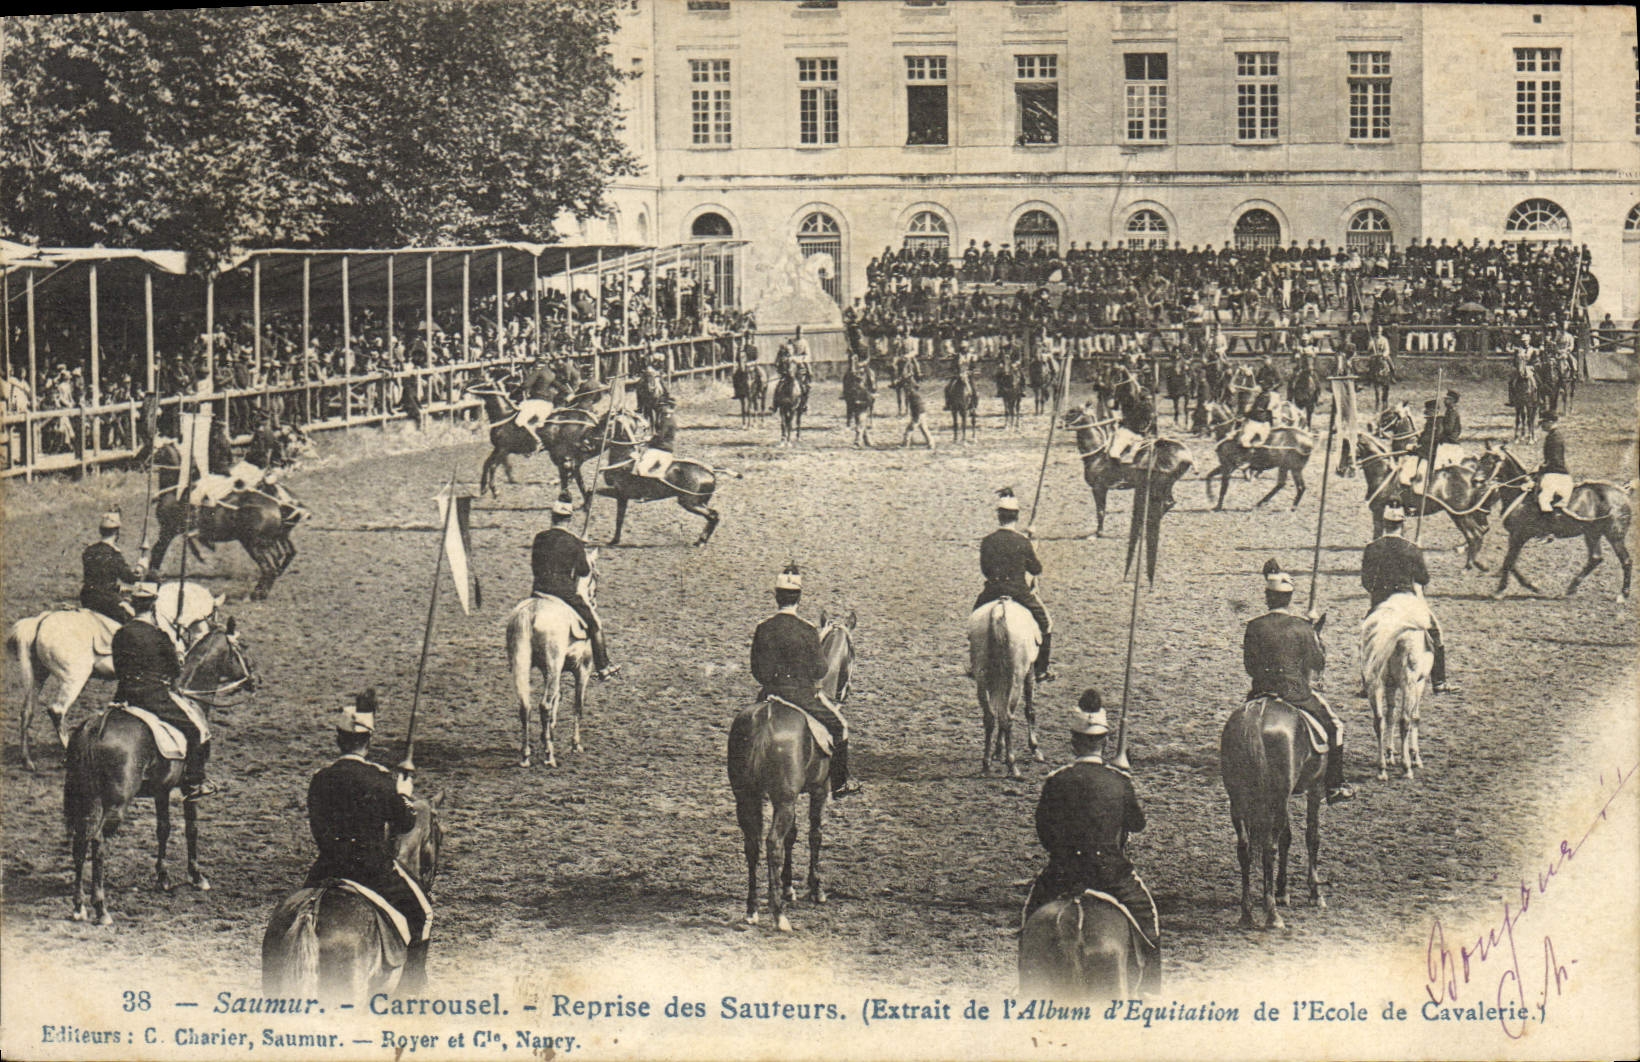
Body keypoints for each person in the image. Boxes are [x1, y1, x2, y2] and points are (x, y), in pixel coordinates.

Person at [1024, 692, 1160, 994]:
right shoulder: (1118, 780)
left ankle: (1024, 985)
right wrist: (1123, 786)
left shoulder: (1056, 780)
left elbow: (1043, 831)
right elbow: (1138, 824)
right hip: (1111, 874)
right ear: (1107, 741)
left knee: (1029, 919)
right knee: (1148, 919)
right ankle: (1150, 992)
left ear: (1073, 741)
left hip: (1064, 872)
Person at [305, 691, 431, 991]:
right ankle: (409, 991)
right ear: (369, 741)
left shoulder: (320, 778)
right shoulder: (379, 779)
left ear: (338, 739)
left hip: (326, 870)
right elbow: (404, 823)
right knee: (423, 914)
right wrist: (402, 793)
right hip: (373, 873)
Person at [1242, 563, 1354, 804]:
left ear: (1267, 598)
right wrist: (1312, 633)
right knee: (1335, 727)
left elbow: (1249, 667)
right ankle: (1334, 785)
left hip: (1260, 692)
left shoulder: (1254, 626)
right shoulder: (1301, 627)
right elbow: (1318, 663)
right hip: (1295, 694)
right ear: (1290, 598)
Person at [750, 563, 860, 798]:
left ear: (776, 597)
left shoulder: (763, 628)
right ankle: (840, 784)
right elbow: (820, 669)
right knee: (840, 727)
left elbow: (757, 671)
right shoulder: (807, 629)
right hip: (800, 696)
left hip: (768, 694)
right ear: (798, 598)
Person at [111, 582, 215, 800]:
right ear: (153, 606)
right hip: (153, 697)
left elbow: (118, 666)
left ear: (134, 605)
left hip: (123, 695)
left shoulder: (121, 633)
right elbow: (175, 671)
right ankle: (194, 782)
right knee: (194, 730)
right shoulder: (159, 636)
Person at [1360, 503, 1456, 693]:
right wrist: (1416, 554)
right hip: (1407, 601)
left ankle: (1367, 682)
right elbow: (1423, 578)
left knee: (1364, 637)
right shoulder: (1411, 548)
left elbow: (1366, 581)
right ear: (1403, 525)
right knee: (1435, 633)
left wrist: (1378, 593)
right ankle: (1439, 682)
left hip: (1381, 601)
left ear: (1383, 524)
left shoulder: (1371, 548)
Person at [531, 496, 619, 680]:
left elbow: (535, 564)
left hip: (537, 590)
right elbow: (584, 570)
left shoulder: (539, 537)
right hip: (562, 593)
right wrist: (580, 549)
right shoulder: (573, 542)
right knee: (595, 624)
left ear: (552, 516)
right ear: (569, 519)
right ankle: (603, 665)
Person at [974, 488, 1055, 683]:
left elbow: (985, 569)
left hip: (992, 590)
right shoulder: (1022, 541)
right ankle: (1042, 670)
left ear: (999, 517)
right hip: (1019, 592)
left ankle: (974, 664)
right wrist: (1031, 546)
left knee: (974, 621)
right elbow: (1036, 569)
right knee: (1046, 624)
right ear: (1016, 517)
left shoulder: (987, 541)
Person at [81, 510, 147, 622]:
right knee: (131, 620)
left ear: (100, 531)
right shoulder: (114, 554)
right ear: (117, 532)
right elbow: (130, 578)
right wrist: (141, 565)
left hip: (86, 597)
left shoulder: (89, 550)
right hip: (106, 600)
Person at [632, 394, 677, 481]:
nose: (660, 408)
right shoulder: (669, 418)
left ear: (667, 407)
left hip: (659, 449)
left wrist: (649, 440)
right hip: (667, 450)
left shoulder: (666, 420)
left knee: (640, 468)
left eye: (662, 406)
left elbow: (661, 436)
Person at [1535, 410, 1572, 514]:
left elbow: (1555, 460)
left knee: (1543, 500)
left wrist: (1543, 468)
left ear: (1550, 422)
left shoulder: (1555, 438)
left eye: (1543, 422)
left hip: (1555, 473)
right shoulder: (1553, 435)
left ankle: (1550, 525)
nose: (1542, 425)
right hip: (1554, 471)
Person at [901, 380, 935, 450]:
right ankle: (931, 444)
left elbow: (917, 406)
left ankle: (905, 445)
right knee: (924, 429)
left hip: (918, 414)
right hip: (921, 414)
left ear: (912, 388)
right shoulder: (915, 394)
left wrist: (915, 417)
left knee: (909, 429)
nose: (906, 389)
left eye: (908, 387)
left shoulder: (913, 395)